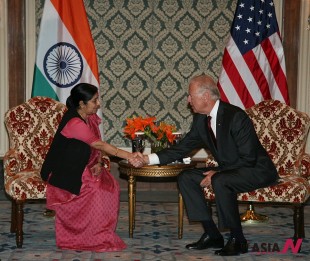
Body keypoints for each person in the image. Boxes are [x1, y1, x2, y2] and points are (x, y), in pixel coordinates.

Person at [135, 74, 279, 256]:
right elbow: (181, 148)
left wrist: (217, 172)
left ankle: (238, 239)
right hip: (229, 170)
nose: (188, 100)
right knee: (186, 177)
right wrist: (148, 159)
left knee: (220, 180)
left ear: (205, 97)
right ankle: (212, 234)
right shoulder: (201, 119)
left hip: (256, 170)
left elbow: (248, 158)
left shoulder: (235, 117)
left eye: (191, 95)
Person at [40, 83, 141, 252]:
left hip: (79, 165)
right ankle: (83, 237)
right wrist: (131, 156)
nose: (98, 104)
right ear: (82, 104)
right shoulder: (74, 123)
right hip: (62, 171)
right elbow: (101, 145)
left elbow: (94, 149)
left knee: (110, 185)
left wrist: (98, 163)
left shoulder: (89, 117)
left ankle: (98, 233)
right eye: (95, 101)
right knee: (95, 189)